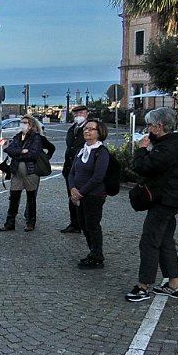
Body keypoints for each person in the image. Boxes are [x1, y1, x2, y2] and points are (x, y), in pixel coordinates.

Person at [126, 107, 178, 302]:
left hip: (164, 199)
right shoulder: (174, 143)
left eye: (149, 125)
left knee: (149, 241)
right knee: (165, 241)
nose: (147, 129)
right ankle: (173, 284)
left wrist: (141, 149)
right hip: (170, 199)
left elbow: (144, 166)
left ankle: (143, 286)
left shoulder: (168, 147)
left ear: (159, 126)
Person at [68, 120, 110, 269]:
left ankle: (97, 256)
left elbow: (98, 177)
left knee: (93, 226)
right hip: (79, 194)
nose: (87, 131)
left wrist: (80, 192)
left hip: (94, 196)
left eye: (91, 129)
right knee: (84, 225)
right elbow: (72, 171)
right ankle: (92, 253)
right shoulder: (82, 150)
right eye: (86, 129)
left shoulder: (101, 152)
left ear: (99, 133)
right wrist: (72, 188)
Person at [0, 115, 43, 232]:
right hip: (16, 172)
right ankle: (9, 223)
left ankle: (30, 222)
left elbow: (33, 154)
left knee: (31, 198)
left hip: (30, 172)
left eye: (25, 122)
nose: (22, 124)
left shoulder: (36, 138)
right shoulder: (17, 137)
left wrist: (17, 154)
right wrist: (21, 151)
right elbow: (8, 150)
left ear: (31, 125)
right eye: (21, 122)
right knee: (13, 197)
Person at [61, 105, 89, 233]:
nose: (78, 116)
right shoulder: (72, 129)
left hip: (83, 169)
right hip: (70, 169)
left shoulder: (90, 129)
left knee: (83, 197)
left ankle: (85, 223)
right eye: (76, 114)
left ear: (86, 114)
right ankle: (74, 223)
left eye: (81, 113)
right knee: (71, 197)